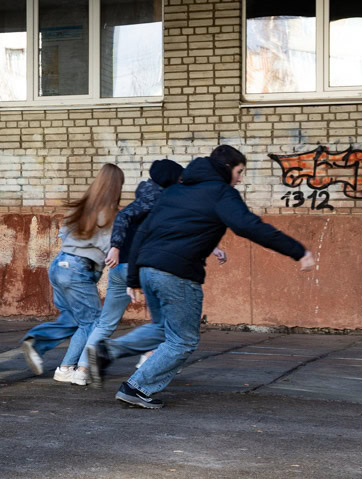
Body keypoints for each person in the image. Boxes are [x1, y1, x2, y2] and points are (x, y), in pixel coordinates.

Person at [107, 145, 318, 409]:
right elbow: (248, 226)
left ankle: (123, 365)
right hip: (176, 273)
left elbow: (143, 232)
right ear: (227, 168)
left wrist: (134, 278)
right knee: (182, 340)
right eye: (240, 172)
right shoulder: (221, 192)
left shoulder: (175, 191)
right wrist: (297, 251)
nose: (240, 178)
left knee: (167, 331)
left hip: (148, 269)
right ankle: (136, 387)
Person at [82, 159, 223, 379]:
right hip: (141, 267)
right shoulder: (159, 198)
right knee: (168, 325)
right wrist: (116, 249)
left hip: (127, 268)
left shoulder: (150, 196)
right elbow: (144, 225)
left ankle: (84, 369)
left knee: (111, 322)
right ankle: (145, 361)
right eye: (179, 178)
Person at [20, 164, 124, 386]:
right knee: (95, 322)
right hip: (78, 270)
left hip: (59, 265)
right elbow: (111, 249)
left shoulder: (81, 207)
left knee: (76, 320)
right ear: (117, 187)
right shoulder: (110, 215)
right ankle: (70, 364)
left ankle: (63, 367)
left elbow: (63, 233)